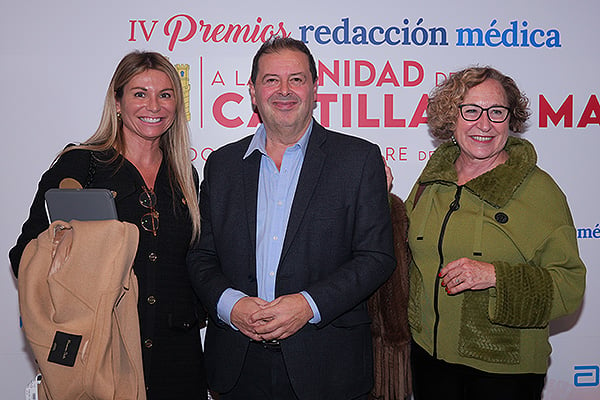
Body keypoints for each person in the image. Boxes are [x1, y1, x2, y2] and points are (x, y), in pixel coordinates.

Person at [186, 37, 395, 400]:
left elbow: (376, 258)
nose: (284, 91)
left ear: (315, 89)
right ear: (253, 92)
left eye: (296, 79)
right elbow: (202, 256)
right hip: (238, 365)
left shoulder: (359, 160)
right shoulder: (221, 165)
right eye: (271, 80)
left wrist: (307, 305)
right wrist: (230, 305)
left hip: (328, 366)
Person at [10, 51, 207, 400]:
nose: (154, 105)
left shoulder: (186, 177)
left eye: (165, 94)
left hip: (177, 361)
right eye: (139, 93)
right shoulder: (81, 165)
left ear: (177, 105)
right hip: (103, 353)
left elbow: (196, 262)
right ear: (117, 102)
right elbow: (27, 253)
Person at [406, 66, 586, 400]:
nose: (484, 124)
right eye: (471, 110)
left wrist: (495, 276)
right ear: (451, 117)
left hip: (503, 372)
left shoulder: (539, 191)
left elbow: (570, 285)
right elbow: (402, 240)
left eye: (497, 112)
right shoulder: (432, 181)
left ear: (510, 119)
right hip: (428, 360)